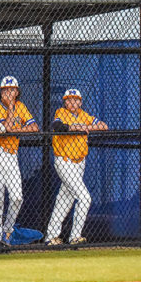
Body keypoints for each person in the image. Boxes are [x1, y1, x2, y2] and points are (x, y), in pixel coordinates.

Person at [45, 89, 108, 245]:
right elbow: (57, 125)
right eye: (68, 100)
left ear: (80, 102)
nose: (72, 103)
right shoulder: (61, 112)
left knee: (64, 200)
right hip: (64, 162)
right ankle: (75, 236)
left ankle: (51, 236)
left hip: (80, 163)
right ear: (65, 102)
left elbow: (103, 126)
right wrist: (76, 127)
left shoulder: (85, 115)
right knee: (84, 198)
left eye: (75, 100)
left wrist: (85, 127)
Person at [0, 76, 39, 248]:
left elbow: (34, 127)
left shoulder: (21, 107)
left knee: (17, 197)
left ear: (17, 92)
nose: (9, 93)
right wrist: (10, 108)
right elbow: (7, 128)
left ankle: (7, 231)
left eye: (12, 90)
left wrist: (16, 129)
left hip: (12, 155)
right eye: (5, 90)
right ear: (1, 93)